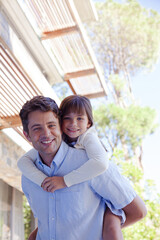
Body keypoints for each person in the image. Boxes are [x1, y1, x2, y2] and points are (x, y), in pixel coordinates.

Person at [19, 96, 147, 240]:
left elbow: (138, 211)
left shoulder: (90, 164)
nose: (46, 134)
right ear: (27, 135)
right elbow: (47, 223)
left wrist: (108, 226)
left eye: (51, 125)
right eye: (36, 128)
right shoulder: (28, 177)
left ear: (60, 126)